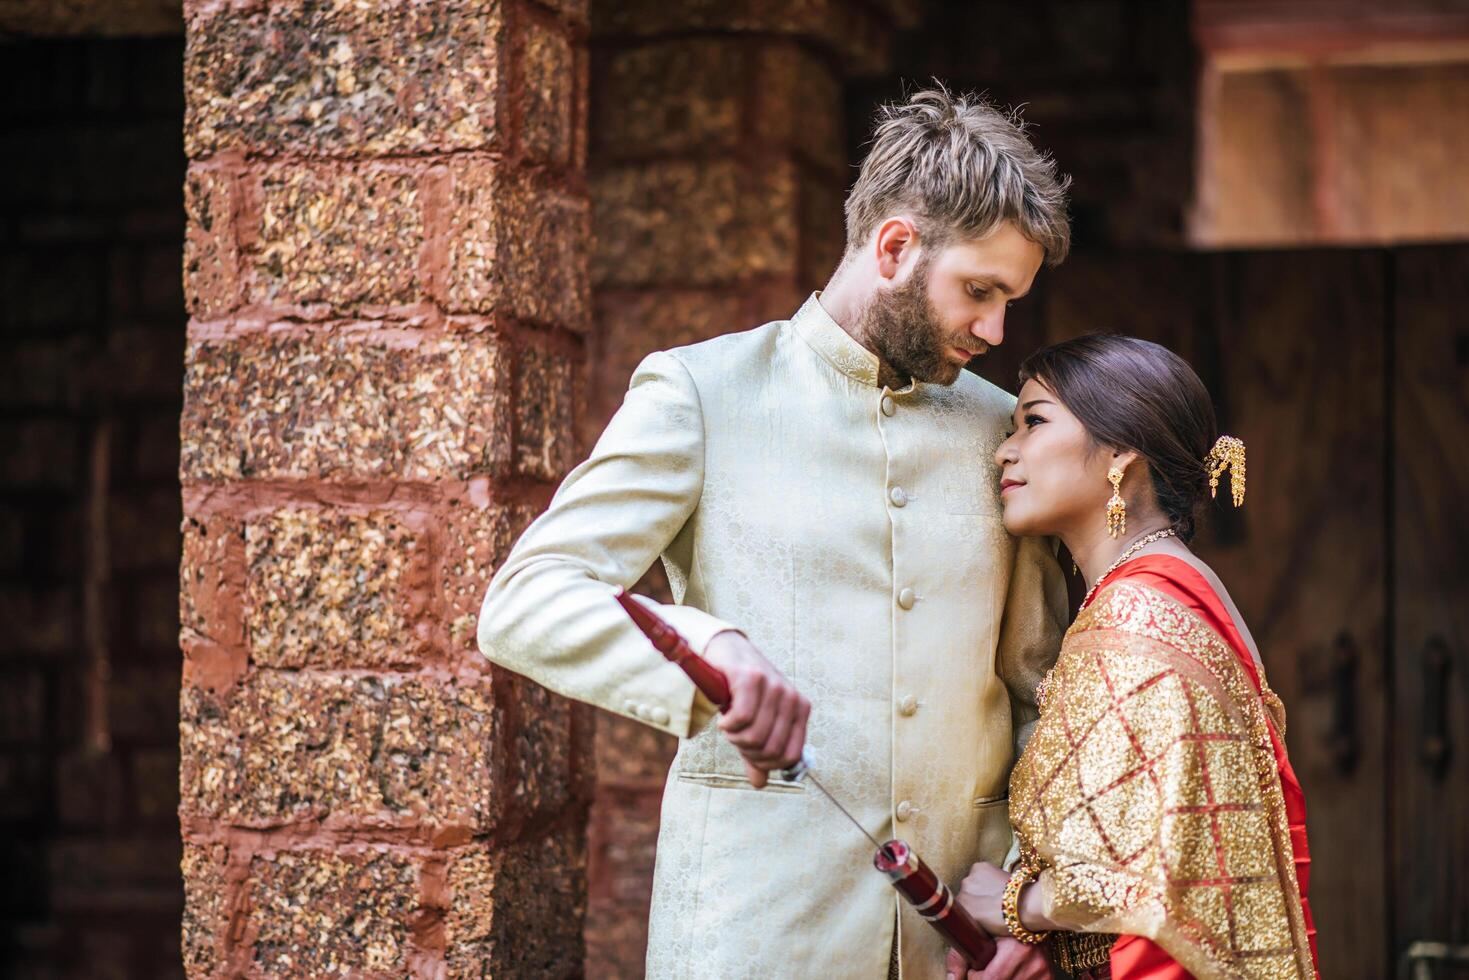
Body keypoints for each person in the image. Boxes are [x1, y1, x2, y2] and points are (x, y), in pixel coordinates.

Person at [476, 87, 1071, 978]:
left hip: (956, 946)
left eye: (1008, 300)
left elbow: (1043, 696)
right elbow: (523, 601)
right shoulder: (701, 393)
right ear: (896, 246)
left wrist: (1031, 895)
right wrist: (709, 645)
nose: (993, 330)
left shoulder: (1004, 434)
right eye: (978, 291)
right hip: (748, 934)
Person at [947, 335, 1319, 980]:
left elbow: (1147, 873)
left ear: (1121, 449)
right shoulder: (1168, 589)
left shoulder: (1137, 613)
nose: (1005, 449)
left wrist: (1017, 904)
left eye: (1034, 421)